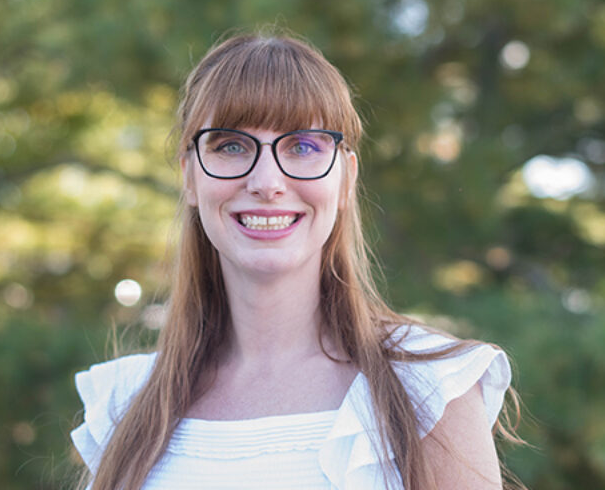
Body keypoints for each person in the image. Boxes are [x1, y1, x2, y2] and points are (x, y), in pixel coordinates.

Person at [70, 30, 522, 490]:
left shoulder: (428, 390)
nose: (267, 181)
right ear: (189, 176)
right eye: (230, 145)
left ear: (345, 179)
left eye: (303, 146)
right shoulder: (125, 406)